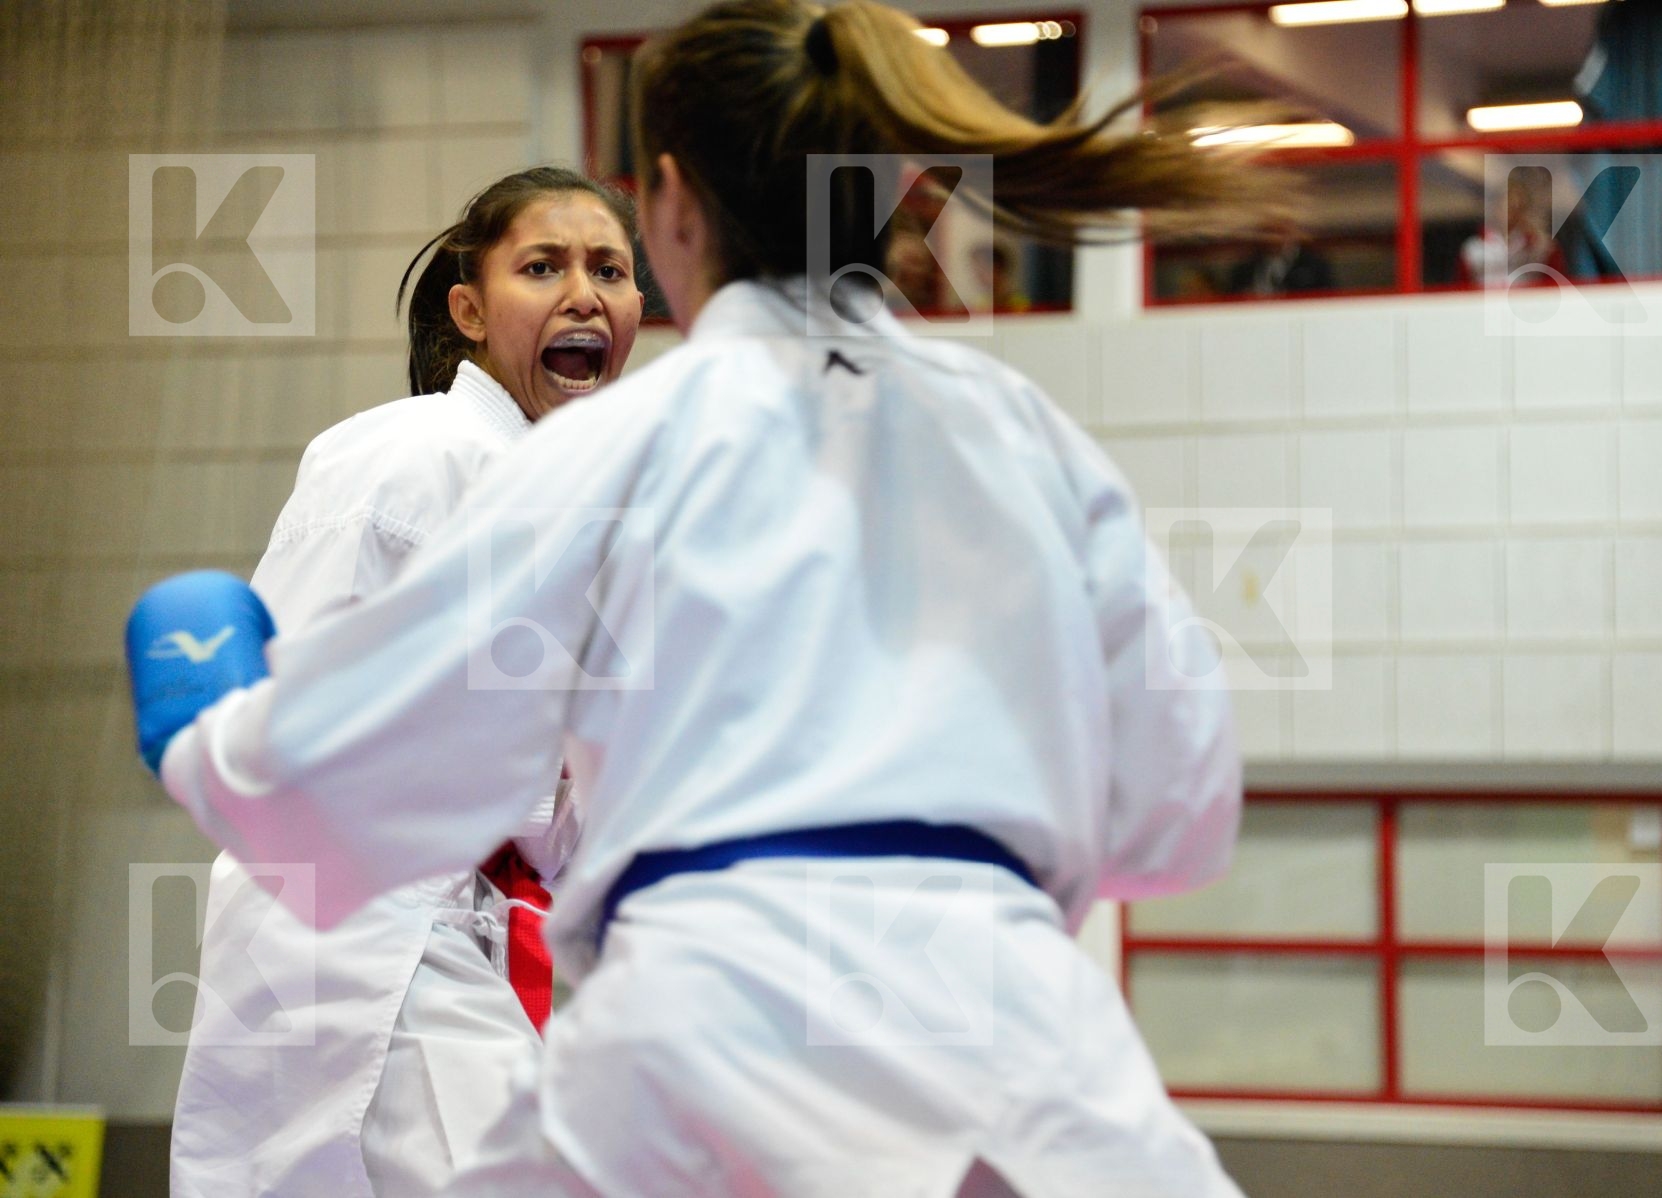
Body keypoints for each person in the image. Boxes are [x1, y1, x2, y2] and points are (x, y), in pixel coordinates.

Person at [128, 3, 1258, 1193]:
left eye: (606, 259)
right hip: (1029, 1044)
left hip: (699, 1035)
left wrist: (204, 717)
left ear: (668, 203)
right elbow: (1181, 818)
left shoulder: (617, 449)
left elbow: (333, 796)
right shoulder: (1041, 444)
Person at [165, 165, 644, 1198]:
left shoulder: (570, 505)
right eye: (543, 265)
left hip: (474, 924)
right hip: (372, 929)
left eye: (610, 268)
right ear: (469, 309)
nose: (585, 293)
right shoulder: (415, 451)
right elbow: (290, 715)